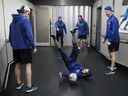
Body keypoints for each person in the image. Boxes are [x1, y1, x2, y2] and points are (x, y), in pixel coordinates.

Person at [9, 6, 38, 93]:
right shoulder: (25, 21)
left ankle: (19, 84)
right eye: (28, 13)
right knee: (28, 65)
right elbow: (30, 35)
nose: (28, 15)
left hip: (15, 48)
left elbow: (10, 37)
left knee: (17, 65)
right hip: (25, 48)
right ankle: (29, 87)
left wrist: (14, 45)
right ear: (25, 12)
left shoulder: (12, 23)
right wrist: (33, 46)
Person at [103, 6, 120, 75]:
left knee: (112, 54)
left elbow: (114, 31)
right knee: (110, 53)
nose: (106, 13)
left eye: (107, 11)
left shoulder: (114, 19)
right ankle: (113, 65)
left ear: (110, 11)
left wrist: (110, 40)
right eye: (105, 11)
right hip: (110, 40)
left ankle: (112, 69)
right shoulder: (109, 20)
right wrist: (105, 39)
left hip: (114, 40)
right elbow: (108, 31)